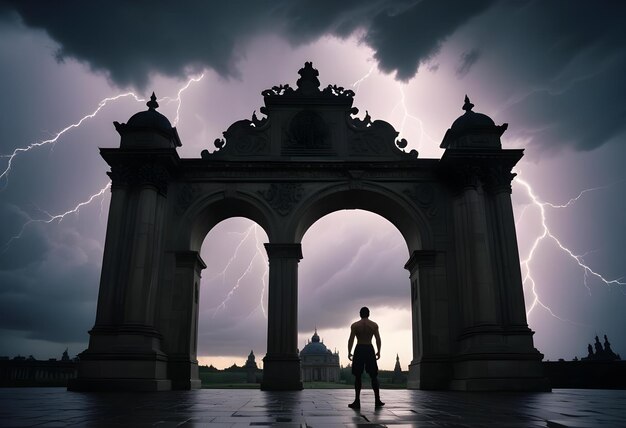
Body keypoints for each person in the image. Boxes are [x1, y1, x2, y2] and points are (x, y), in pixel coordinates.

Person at [347, 306, 384, 409]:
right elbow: (378, 339)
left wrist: (349, 352)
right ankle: (377, 400)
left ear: (360, 314)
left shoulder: (355, 325)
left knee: (357, 376)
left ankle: (357, 401)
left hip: (359, 348)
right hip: (369, 348)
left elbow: (351, 340)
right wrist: (379, 351)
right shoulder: (374, 325)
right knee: (373, 375)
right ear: (369, 314)